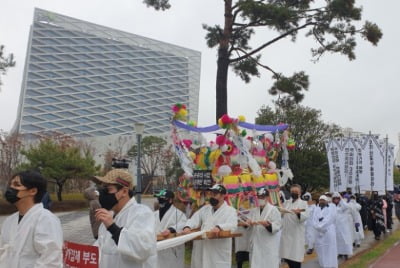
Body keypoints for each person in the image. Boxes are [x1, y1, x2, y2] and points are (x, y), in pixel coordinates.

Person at [94, 169, 157, 268]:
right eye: (103, 189)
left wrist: (112, 227)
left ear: (124, 191)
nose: (103, 194)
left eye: (108, 190)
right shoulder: (110, 218)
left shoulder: (142, 214)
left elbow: (141, 249)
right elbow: (99, 249)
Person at [0, 170, 63, 267]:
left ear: (33, 191)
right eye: (10, 184)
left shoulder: (46, 219)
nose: (11, 188)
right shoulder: (10, 220)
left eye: (16, 185)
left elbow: (51, 260)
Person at [182, 184, 237, 268]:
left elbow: (233, 225)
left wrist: (219, 227)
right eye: (211, 194)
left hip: (218, 251)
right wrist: (187, 227)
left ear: (222, 196)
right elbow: (194, 219)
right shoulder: (205, 209)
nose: (212, 197)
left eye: (215, 194)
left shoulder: (230, 211)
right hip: (202, 248)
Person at [248, 188, 282, 268]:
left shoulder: (274, 210)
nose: (260, 199)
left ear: (267, 197)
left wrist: (267, 225)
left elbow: (277, 226)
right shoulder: (254, 211)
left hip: (268, 245)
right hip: (256, 244)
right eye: (259, 197)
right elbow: (249, 225)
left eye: (262, 197)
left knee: (268, 264)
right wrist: (248, 223)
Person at [154, 189, 187, 268]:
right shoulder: (153, 215)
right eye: (159, 199)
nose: (160, 201)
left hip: (172, 251)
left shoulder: (179, 214)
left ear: (170, 200)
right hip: (157, 250)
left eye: (163, 199)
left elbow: (184, 224)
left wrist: (171, 229)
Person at [279, 184, 309, 268]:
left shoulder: (303, 203)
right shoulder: (287, 203)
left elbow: (305, 216)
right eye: (292, 192)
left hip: (296, 236)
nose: (294, 193)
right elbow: (281, 213)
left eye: (296, 192)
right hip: (286, 234)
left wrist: (299, 213)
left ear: (300, 192)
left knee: (295, 260)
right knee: (287, 258)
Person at [312, 195, 338, 268]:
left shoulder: (331, 209)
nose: (322, 201)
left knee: (329, 249)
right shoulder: (316, 209)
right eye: (320, 200)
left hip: (328, 231)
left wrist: (320, 226)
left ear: (326, 201)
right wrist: (317, 227)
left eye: (323, 200)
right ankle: (323, 265)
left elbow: (329, 219)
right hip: (318, 232)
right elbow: (314, 220)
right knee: (320, 249)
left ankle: (330, 265)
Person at [332, 192, 353, 259]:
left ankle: (346, 253)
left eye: (337, 199)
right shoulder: (332, 206)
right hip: (335, 226)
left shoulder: (343, 205)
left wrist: (341, 199)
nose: (336, 200)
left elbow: (346, 206)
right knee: (337, 240)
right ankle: (339, 252)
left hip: (343, 226)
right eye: (334, 199)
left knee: (344, 240)